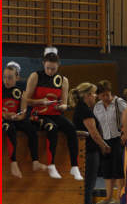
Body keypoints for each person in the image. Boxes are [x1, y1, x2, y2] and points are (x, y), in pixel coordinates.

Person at [23, 47, 83, 180]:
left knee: (71, 129)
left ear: (58, 66)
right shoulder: (35, 76)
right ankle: (51, 165)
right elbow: (25, 100)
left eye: (53, 69)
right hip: (38, 114)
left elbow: (65, 104)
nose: (50, 71)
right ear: (43, 64)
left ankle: (74, 166)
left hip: (55, 114)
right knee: (52, 128)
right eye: (48, 68)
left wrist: (62, 106)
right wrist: (40, 101)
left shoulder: (63, 80)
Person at [71, 82, 111, 204]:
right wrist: (104, 145)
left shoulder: (81, 109)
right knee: (88, 183)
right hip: (89, 151)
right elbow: (93, 133)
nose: (95, 97)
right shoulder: (85, 111)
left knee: (87, 182)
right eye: (94, 94)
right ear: (87, 95)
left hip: (86, 150)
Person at [2, 61, 46, 178]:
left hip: (15, 119)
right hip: (4, 120)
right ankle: (13, 163)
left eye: (10, 78)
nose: (6, 80)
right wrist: (4, 114)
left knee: (31, 130)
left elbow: (23, 113)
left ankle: (35, 161)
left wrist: (16, 116)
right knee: (10, 128)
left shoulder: (22, 93)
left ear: (17, 78)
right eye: (4, 77)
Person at [93, 80, 127, 204]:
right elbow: (96, 124)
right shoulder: (97, 107)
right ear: (98, 96)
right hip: (105, 140)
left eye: (108, 94)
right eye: (103, 95)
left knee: (118, 169)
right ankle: (108, 197)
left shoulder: (119, 103)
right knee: (107, 169)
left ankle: (120, 197)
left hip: (118, 139)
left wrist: (125, 133)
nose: (106, 97)